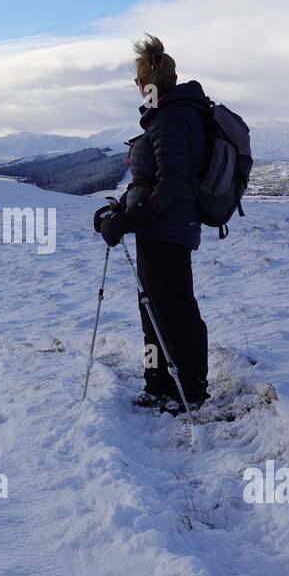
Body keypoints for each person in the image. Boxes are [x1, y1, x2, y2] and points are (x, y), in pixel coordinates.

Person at [94, 34, 211, 413]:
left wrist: (130, 219)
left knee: (174, 312)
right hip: (156, 228)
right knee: (153, 312)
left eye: (138, 81)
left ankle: (189, 390)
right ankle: (158, 382)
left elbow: (173, 181)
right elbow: (152, 178)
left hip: (168, 230)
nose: (136, 87)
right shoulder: (164, 114)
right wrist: (122, 209)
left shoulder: (173, 116)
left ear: (148, 83)